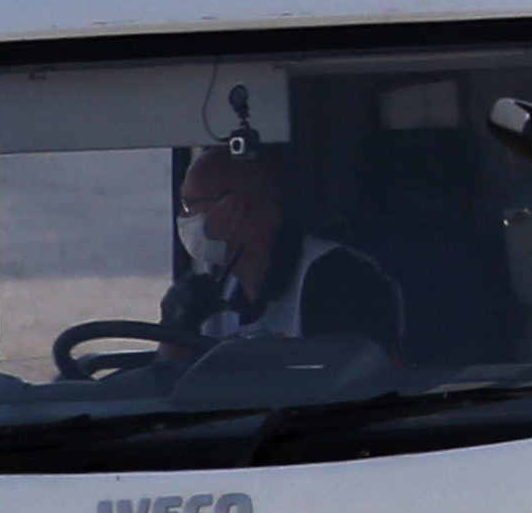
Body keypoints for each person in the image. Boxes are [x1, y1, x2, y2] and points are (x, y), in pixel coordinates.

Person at [168, 140, 405, 357]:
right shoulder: (216, 293)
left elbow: (348, 387)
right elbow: (171, 383)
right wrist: (176, 327)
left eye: (190, 207)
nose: (185, 219)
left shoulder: (338, 280)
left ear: (234, 206)